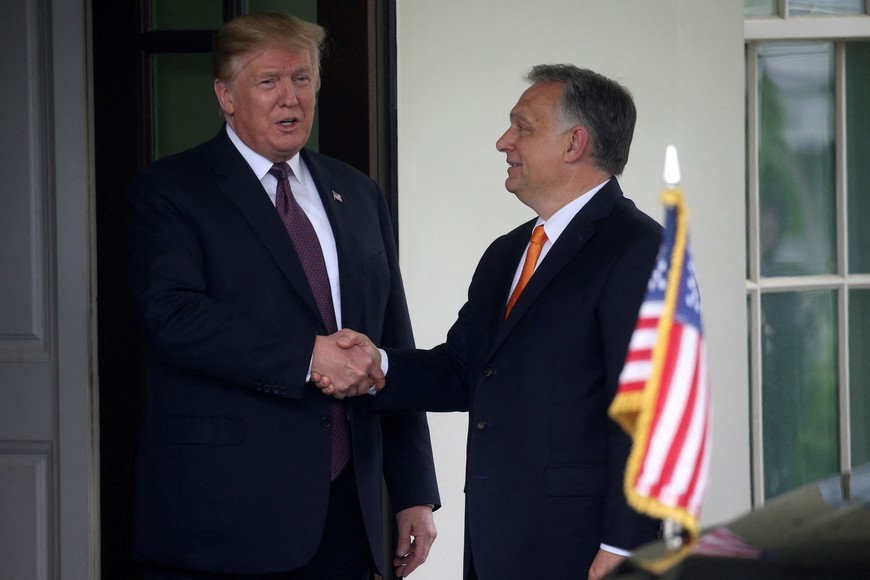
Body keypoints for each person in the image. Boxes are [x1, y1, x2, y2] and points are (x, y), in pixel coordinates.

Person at [317, 65, 663, 579]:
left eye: (523, 126)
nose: (505, 142)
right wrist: (374, 364)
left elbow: (650, 408)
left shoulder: (641, 249)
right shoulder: (507, 254)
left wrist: (626, 544)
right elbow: (463, 370)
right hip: (498, 543)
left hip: (587, 548)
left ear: (574, 143)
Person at [125, 12, 439, 580]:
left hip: (349, 511)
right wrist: (308, 355)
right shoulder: (171, 191)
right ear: (226, 95)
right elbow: (172, 316)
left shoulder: (358, 192)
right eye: (268, 82)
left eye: (302, 78)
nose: (289, 98)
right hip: (226, 512)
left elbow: (393, 338)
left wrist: (415, 490)